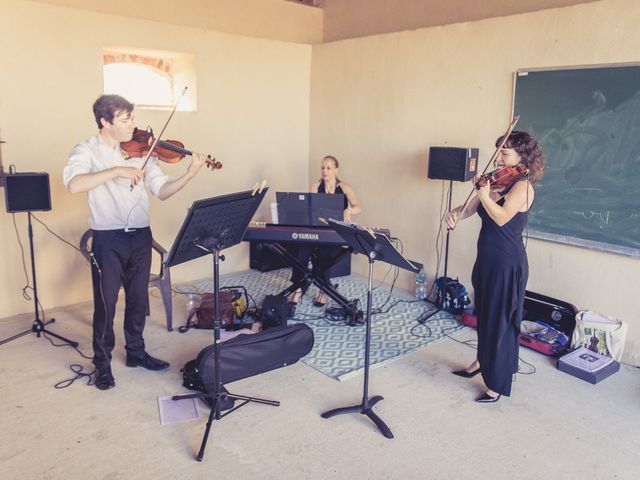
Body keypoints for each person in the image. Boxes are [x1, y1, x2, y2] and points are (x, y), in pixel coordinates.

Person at [63, 94, 208, 390]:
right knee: (106, 304)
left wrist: (189, 175)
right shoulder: (86, 151)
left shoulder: (143, 151)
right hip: (108, 239)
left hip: (141, 236)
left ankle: (136, 352)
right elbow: (74, 184)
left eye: (132, 118)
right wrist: (115, 171)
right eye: (125, 119)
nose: (133, 125)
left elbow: (163, 191)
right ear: (105, 121)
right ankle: (102, 364)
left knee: (139, 299)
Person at [444, 130, 545, 403]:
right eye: (499, 150)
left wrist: (485, 194)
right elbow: (469, 208)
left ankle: (497, 383)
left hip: (506, 262)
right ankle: (480, 360)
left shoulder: (523, 187)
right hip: (487, 259)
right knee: (485, 314)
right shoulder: (497, 182)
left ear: (522, 156)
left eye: (505, 152)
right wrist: (454, 213)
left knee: (500, 321)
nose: (499, 157)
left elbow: (500, 217)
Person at [289, 155, 361, 306]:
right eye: (322, 167)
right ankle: (298, 288)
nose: (325, 171)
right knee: (301, 250)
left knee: (324, 253)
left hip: (334, 233)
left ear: (336, 170)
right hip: (316, 229)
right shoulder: (315, 186)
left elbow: (357, 207)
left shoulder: (345, 188)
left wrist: (348, 210)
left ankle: (323, 290)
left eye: (328, 168)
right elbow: (311, 208)